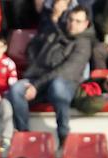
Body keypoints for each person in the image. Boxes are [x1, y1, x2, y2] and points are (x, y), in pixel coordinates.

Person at [7, 5, 93, 146]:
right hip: (39, 79)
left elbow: (65, 71)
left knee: (57, 86)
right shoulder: (54, 32)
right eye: (71, 19)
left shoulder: (84, 44)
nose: (72, 24)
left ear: (86, 24)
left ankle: (63, 135)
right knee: (16, 89)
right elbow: (32, 48)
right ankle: (24, 134)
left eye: (78, 21)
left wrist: (36, 85)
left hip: (64, 84)